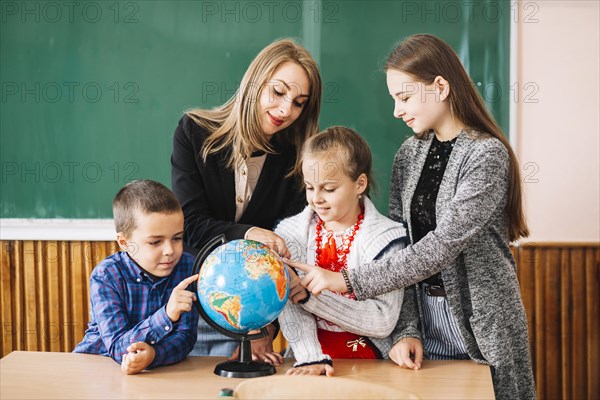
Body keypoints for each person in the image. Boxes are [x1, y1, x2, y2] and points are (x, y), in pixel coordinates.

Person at [286, 34, 536, 399]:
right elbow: (398, 245)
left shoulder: (486, 156)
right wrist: (406, 330)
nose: (397, 111)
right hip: (424, 315)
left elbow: (440, 247)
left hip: (482, 322)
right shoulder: (409, 153)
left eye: (404, 98)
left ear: (440, 87)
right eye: (394, 100)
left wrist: (346, 280)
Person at [170, 38, 322, 361]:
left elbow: (291, 242)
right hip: (193, 306)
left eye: (299, 103)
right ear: (255, 82)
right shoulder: (194, 133)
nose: (286, 110)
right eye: (278, 92)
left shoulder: (296, 159)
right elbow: (191, 225)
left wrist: (264, 327)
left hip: (255, 311)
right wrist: (251, 233)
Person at [275, 126, 418, 376]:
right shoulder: (291, 234)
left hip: (370, 362)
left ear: (359, 184)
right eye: (310, 187)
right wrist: (310, 357)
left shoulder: (387, 238)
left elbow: (383, 320)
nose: (316, 198)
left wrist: (311, 298)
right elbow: (290, 306)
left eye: (329, 189)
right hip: (307, 356)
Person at [73, 180, 198, 375]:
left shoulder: (187, 268)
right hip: (96, 368)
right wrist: (166, 315)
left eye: (177, 238)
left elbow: (186, 337)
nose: (170, 251)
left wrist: (154, 355)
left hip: (153, 375)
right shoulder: (107, 276)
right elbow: (117, 347)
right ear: (124, 242)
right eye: (155, 242)